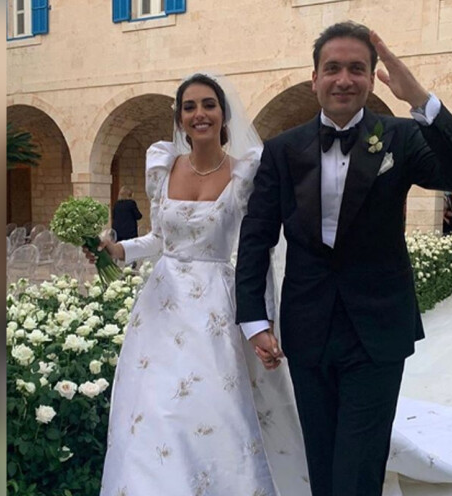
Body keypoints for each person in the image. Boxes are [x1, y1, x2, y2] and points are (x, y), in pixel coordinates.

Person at [235, 22, 452, 496]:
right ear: (314, 78)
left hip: (378, 329)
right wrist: (254, 319)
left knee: (358, 467)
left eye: (356, 69)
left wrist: (418, 98)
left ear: (370, 78)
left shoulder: (400, 137)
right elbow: (256, 236)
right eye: (333, 68)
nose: (344, 79)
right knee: (322, 461)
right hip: (308, 326)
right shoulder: (282, 150)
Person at [87, 73, 311, 496]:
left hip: (216, 307)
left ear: (224, 114)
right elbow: (158, 239)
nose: (199, 114)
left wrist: (262, 322)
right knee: (156, 409)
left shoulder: (245, 172)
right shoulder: (162, 165)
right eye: (189, 107)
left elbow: (256, 251)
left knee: (210, 405)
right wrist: (115, 250)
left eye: (209, 104)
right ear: (180, 118)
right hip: (161, 307)